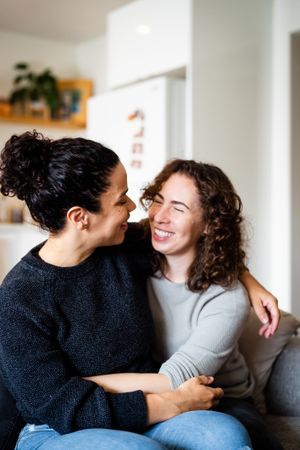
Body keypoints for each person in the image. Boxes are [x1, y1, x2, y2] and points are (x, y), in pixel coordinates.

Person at [0, 132, 253, 450]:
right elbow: (57, 405)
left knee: (225, 437)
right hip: (56, 428)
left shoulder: (122, 245)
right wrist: (171, 404)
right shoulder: (19, 298)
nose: (135, 207)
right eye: (121, 200)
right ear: (80, 218)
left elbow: (200, 240)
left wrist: (250, 285)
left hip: (145, 408)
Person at [85, 159, 283, 450]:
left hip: (221, 396)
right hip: (154, 385)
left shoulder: (228, 298)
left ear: (208, 224)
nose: (159, 217)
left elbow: (172, 379)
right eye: (158, 201)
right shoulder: (136, 253)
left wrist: (77, 386)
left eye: (178, 208)